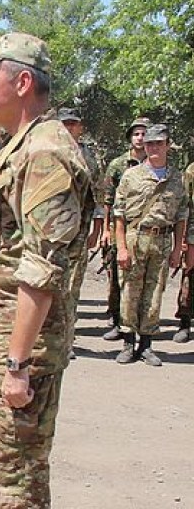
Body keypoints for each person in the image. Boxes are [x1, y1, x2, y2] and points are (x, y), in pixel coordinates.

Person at [0, 32, 88, 509]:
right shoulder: (18, 143)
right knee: (9, 467)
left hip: (21, 353)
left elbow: (42, 269)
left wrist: (17, 364)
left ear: (24, 82)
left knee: (18, 478)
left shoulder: (46, 153)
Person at [114, 124, 188, 366]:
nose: (153, 147)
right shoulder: (131, 176)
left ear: (168, 145)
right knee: (129, 291)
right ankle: (127, 342)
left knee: (155, 292)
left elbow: (181, 216)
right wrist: (122, 248)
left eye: (159, 143)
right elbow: (119, 215)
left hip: (163, 240)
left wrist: (178, 249)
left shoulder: (177, 178)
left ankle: (146, 345)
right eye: (149, 144)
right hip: (136, 238)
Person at [57, 107, 103, 359]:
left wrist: (97, 228)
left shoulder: (89, 158)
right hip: (51, 234)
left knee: (72, 289)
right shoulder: (48, 150)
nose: (68, 128)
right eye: (64, 124)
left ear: (79, 127)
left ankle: (67, 340)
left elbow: (98, 197)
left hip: (78, 233)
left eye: (73, 124)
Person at [101, 117, 150, 341]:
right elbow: (108, 200)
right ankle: (117, 319)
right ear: (130, 138)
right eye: (136, 134)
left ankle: (141, 325)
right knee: (117, 277)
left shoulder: (158, 163)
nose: (140, 138)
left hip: (147, 231)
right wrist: (106, 230)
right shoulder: (118, 164)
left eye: (144, 134)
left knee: (143, 280)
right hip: (119, 228)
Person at [173, 161, 194, 343]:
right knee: (189, 275)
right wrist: (183, 240)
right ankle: (185, 323)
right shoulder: (192, 170)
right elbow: (185, 206)